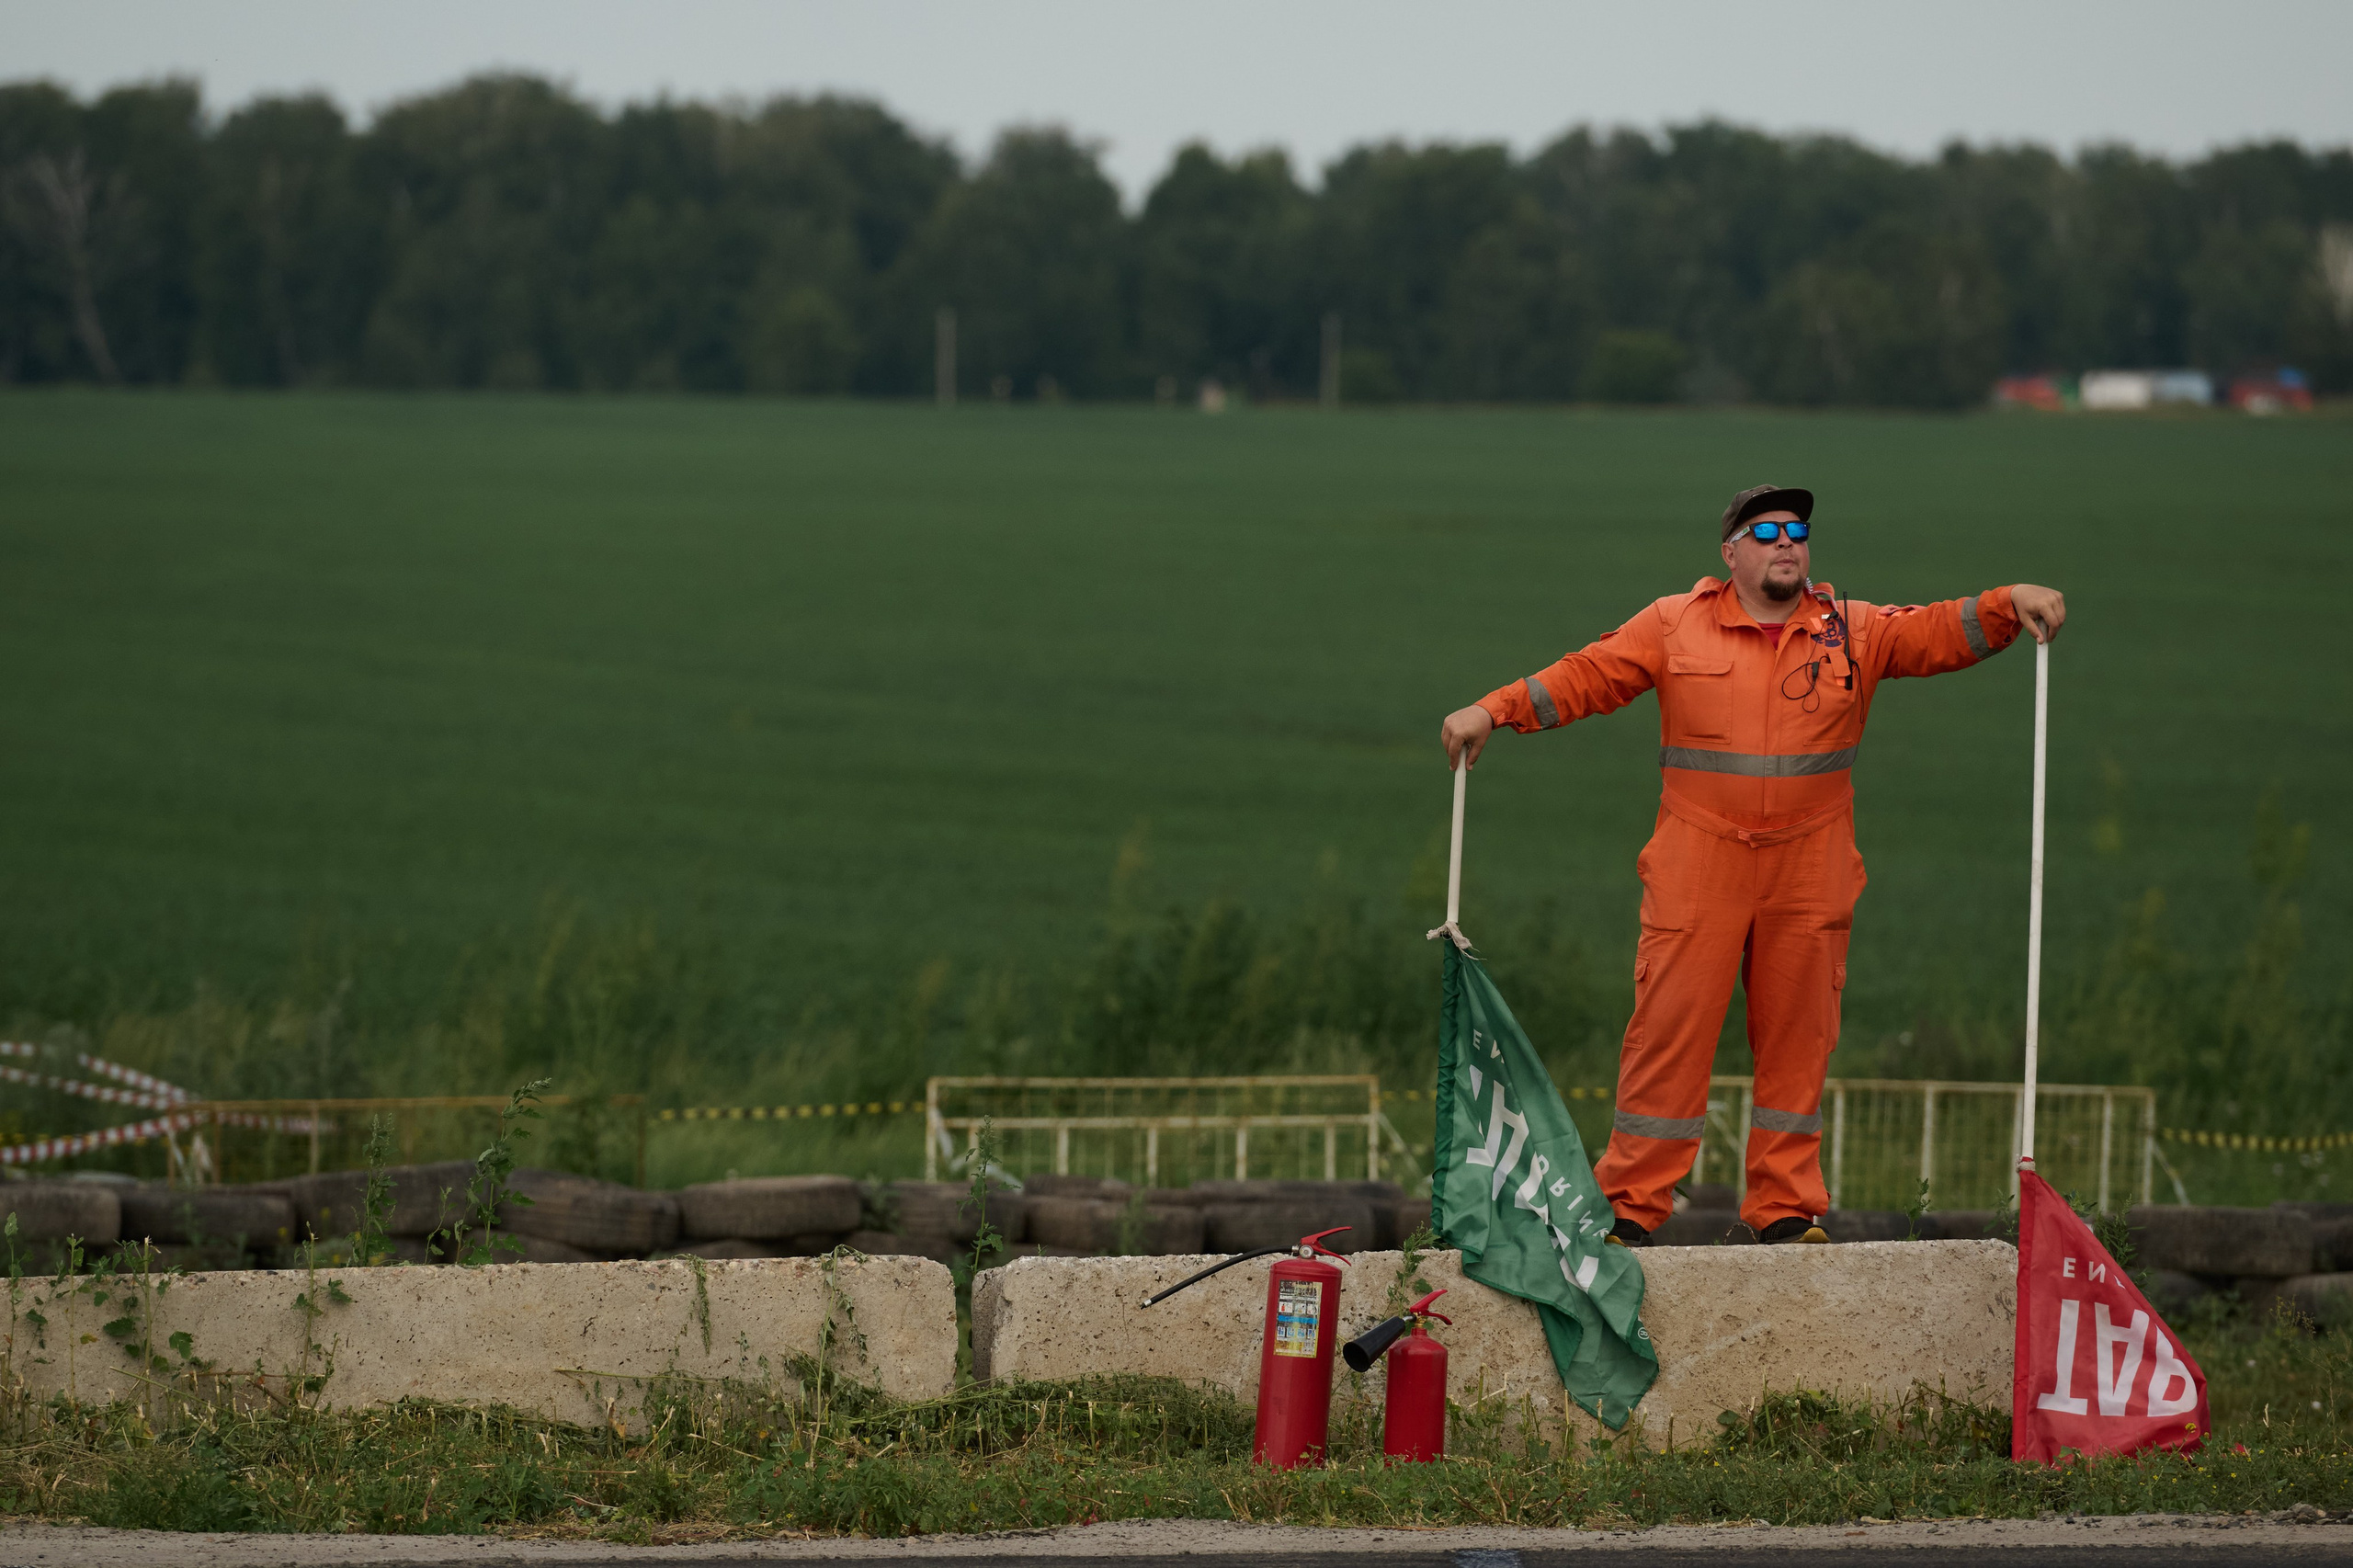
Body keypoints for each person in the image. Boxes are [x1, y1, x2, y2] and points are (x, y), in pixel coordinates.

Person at [1438, 484, 2066, 1246]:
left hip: (1812, 859)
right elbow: (1586, 675)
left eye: (1797, 530)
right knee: (1669, 1029)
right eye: (1765, 530)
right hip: (1700, 855)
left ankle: (1785, 1210)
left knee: (1801, 1038)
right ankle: (1632, 1207)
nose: (1786, 542)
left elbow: (1937, 629)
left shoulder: (1852, 629)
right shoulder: (1674, 624)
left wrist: (2010, 602)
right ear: (1730, 552)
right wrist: (1494, 709)